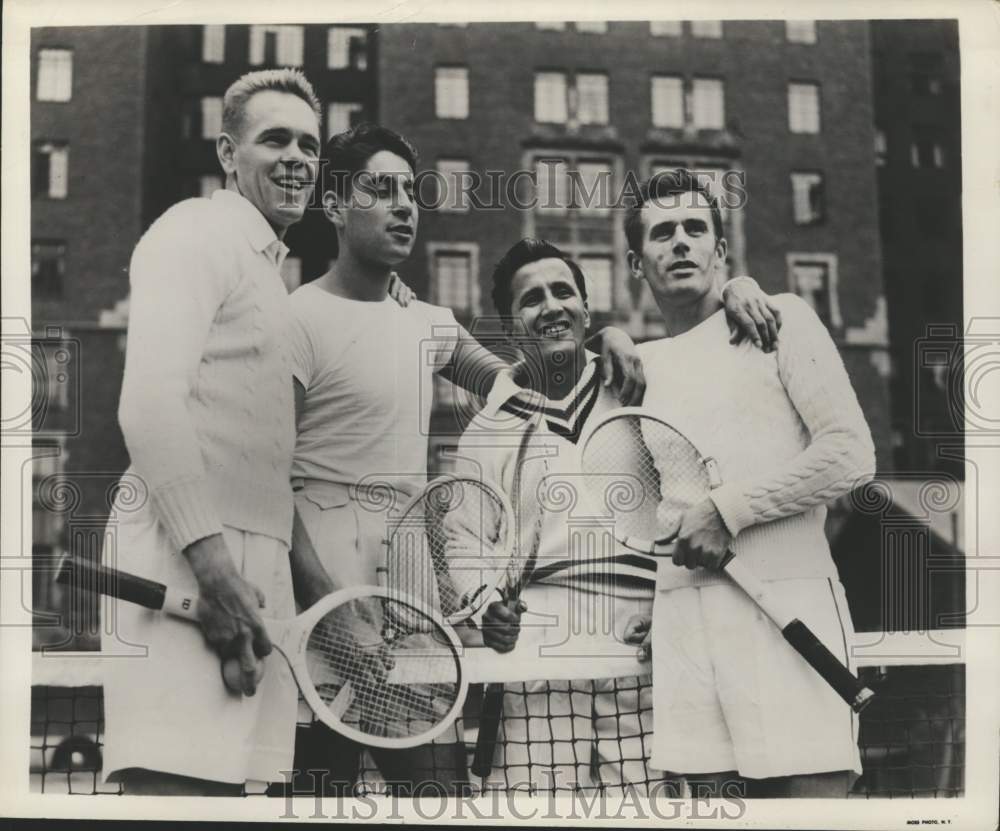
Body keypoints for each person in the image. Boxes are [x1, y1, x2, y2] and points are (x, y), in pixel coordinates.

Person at [284, 124, 656, 795]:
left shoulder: (428, 321)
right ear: (335, 205)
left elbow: (525, 378)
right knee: (324, 797)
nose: (403, 206)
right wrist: (331, 615)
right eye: (380, 189)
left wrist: (607, 334)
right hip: (322, 593)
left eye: (410, 192)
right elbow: (261, 479)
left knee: (442, 796)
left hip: (413, 598)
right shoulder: (293, 318)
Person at [443, 238, 780, 793]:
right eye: (531, 299)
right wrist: (485, 608)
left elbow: (692, 507)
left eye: (562, 292)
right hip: (537, 659)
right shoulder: (488, 428)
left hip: (644, 651)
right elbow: (464, 541)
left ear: (585, 307)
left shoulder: (641, 382)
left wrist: (739, 288)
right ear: (510, 322)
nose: (550, 306)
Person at [101, 69, 338, 795]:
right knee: (174, 793)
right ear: (228, 154)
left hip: (250, 573)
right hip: (185, 563)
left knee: (236, 799)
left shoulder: (269, 270)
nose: (297, 156)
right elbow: (147, 406)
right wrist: (214, 569)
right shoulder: (193, 230)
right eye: (275, 139)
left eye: (308, 142)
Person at [621, 169, 876, 798]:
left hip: (792, 604)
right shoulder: (636, 367)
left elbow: (851, 456)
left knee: (813, 810)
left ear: (721, 249)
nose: (679, 242)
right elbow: (639, 511)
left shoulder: (780, 317)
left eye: (694, 228)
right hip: (685, 623)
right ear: (635, 261)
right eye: (661, 232)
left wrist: (727, 509)